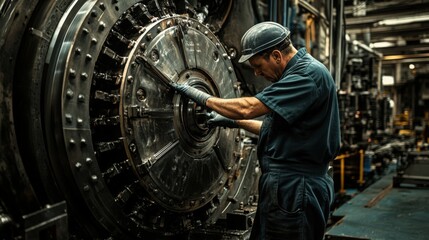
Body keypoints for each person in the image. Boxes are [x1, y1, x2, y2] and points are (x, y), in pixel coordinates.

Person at [172, 21, 341, 240]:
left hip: (296, 188)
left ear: (277, 56)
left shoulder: (305, 76)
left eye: (258, 66)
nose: (258, 73)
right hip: (291, 185)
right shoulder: (301, 73)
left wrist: (202, 97)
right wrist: (232, 122)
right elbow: (273, 130)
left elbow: (248, 108)